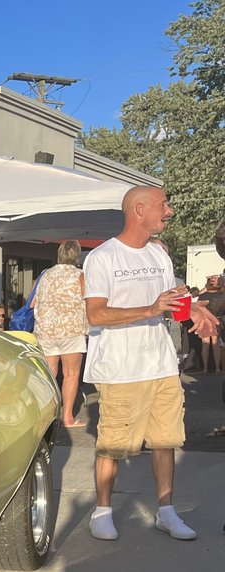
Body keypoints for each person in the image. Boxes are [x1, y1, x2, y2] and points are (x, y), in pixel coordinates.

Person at [82, 185, 218, 542]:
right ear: (139, 210)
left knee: (165, 440)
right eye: (164, 205)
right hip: (120, 367)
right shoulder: (102, 257)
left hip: (161, 364)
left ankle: (167, 512)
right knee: (113, 443)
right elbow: (95, 314)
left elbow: (172, 298)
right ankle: (102, 511)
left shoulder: (158, 254)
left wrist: (195, 310)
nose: (169, 211)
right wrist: (150, 309)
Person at [32, 240, 88, 427]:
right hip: (71, 330)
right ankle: (68, 417)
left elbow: (32, 302)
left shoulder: (45, 275)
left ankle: (46, 416)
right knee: (71, 374)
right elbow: (89, 300)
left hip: (46, 329)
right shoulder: (81, 276)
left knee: (49, 374)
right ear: (77, 255)